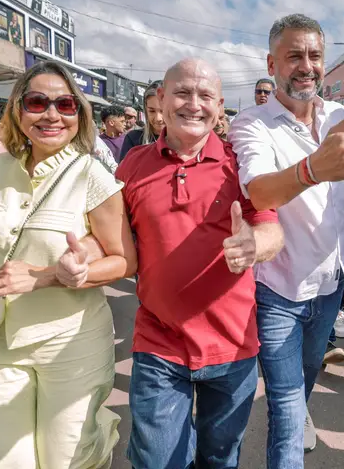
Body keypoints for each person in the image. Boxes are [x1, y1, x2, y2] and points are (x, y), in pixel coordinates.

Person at [0, 61, 137, 467]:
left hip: (70, 343)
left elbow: (125, 260)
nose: (51, 114)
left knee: (68, 459)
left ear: (79, 115)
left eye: (65, 104)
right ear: (17, 111)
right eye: (37, 102)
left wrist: (55, 276)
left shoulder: (92, 175)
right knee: (0, 461)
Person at [111, 59, 283, 469]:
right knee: (157, 461)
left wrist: (252, 246)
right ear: (161, 100)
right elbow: (110, 240)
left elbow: (272, 232)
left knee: (219, 460)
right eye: (182, 93)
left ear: (219, 107)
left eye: (205, 96)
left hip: (232, 347)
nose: (194, 104)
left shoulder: (241, 165)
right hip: (159, 343)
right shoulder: (132, 165)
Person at [229, 13, 344, 467]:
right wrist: (315, 168)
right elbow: (259, 190)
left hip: (331, 288)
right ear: (271, 62)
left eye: (314, 56)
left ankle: (299, 405)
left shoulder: (340, 116)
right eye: (294, 55)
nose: (306, 66)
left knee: (304, 382)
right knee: (287, 413)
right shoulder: (250, 124)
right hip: (278, 290)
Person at [119, 82, 165, 161]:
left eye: (163, 111)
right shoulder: (133, 139)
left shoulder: (184, 141)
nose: (158, 118)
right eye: (152, 111)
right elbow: (124, 172)